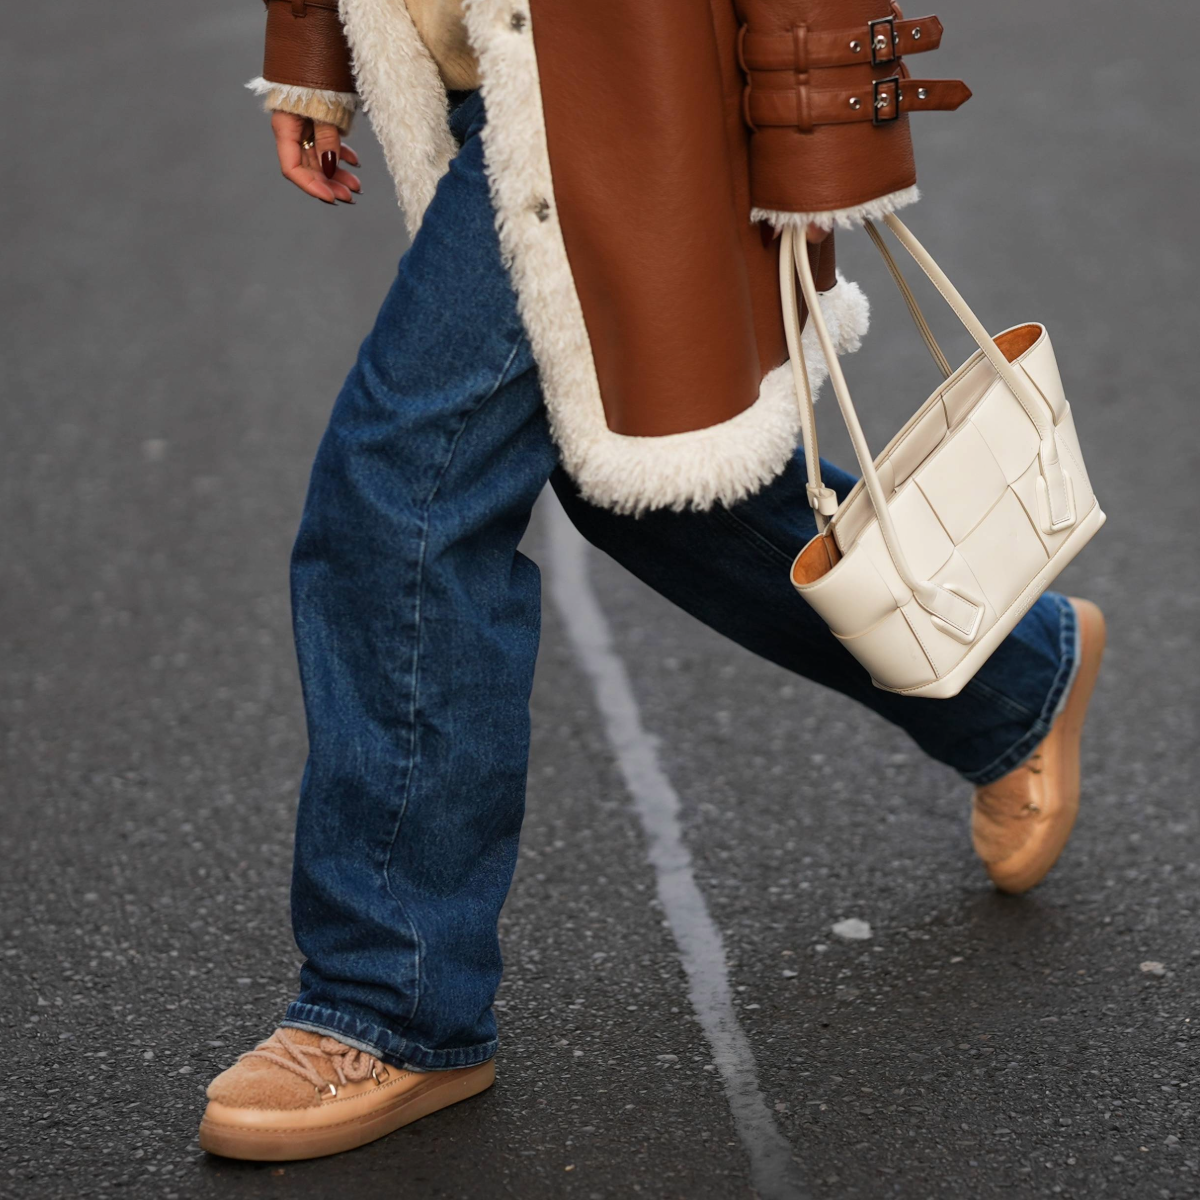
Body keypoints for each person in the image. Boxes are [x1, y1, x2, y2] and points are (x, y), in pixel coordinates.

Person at [198, 0, 1105, 1162]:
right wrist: (315, 53)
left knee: (399, 495)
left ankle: (390, 1003)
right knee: (651, 477)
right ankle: (1011, 678)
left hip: (629, 72)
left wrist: (825, 121)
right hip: (488, 73)